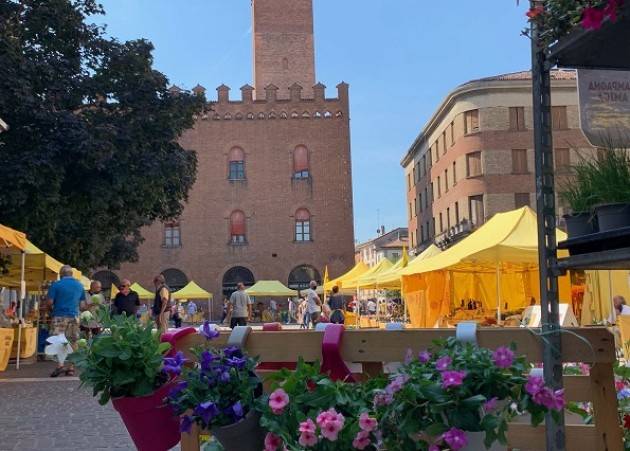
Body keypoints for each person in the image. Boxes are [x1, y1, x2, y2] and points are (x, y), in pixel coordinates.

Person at [47, 265, 86, 377]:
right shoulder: (79, 286)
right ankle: (71, 368)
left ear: (61, 274)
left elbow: (49, 302)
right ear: (71, 274)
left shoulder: (56, 285)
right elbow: (82, 306)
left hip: (59, 315)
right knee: (73, 341)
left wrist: (51, 311)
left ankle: (60, 365)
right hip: (74, 317)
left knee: (59, 341)